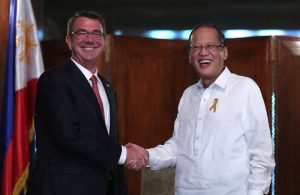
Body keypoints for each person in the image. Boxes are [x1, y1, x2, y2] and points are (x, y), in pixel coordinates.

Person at [128, 24, 275, 195]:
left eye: (210, 46)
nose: (203, 52)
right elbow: (177, 148)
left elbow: (262, 154)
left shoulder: (245, 88)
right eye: (196, 47)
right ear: (190, 56)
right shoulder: (188, 95)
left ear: (224, 52)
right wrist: (146, 155)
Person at [27, 10, 147, 195]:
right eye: (82, 33)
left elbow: (105, 140)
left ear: (104, 42)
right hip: (63, 189)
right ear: (69, 41)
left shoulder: (107, 87)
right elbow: (69, 135)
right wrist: (123, 154)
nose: (90, 39)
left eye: (96, 33)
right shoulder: (53, 80)